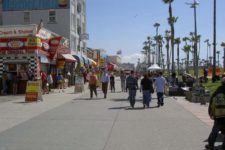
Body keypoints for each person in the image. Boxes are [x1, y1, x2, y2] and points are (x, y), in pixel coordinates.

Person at [205, 77, 225, 150]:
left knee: (215, 130)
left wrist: (211, 113)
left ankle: (210, 145)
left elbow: (212, 103)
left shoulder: (217, 91)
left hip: (219, 114)